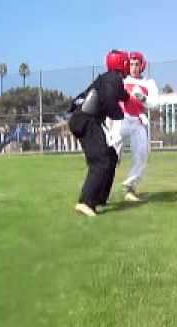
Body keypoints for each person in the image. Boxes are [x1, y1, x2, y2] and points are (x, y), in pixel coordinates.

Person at [68, 50, 130, 217]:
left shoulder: (105, 79)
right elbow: (111, 99)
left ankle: (99, 199)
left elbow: (77, 100)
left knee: (110, 157)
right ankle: (85, 202)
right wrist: (118, 113)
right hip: (87, 121)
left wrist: (128, 98)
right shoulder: (114, 79)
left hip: (82, 120)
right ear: (121, 64)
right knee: (100, 160)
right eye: (126, 63)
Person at [109, 51, 159, 201]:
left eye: (137, 64)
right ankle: (103, 187)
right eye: (131, 64)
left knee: (142, 153)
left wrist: (142, 97)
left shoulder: (149, 83)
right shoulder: (122, 80)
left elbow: (154, 103)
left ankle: (130, 188)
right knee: (112, 154)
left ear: (142, 65)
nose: (134, 67)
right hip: (121, 119)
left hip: (138, 121)